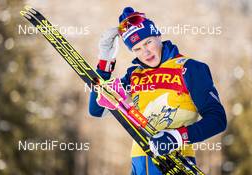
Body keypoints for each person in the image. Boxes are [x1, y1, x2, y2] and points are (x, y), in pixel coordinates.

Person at [89, 7, 227, 175]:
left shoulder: (190, 68)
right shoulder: (134, 76)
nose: (145, 52)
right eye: (137, 49)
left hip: (175, 163)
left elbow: (217, 119)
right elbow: (98, 109)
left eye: (148, 42)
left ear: (158, 36)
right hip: (139, 165)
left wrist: (177, 137)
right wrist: (105, 60)